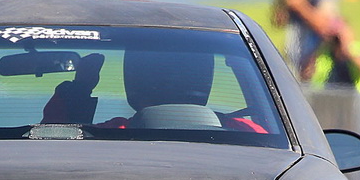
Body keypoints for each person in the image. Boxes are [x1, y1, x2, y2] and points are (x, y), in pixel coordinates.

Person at [42, 51, 267, 132]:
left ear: (134, 81)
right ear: (205, 79)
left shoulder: (112, 133)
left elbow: (53, 142)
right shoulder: (248, 132)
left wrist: (81, 87)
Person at [271, 0, 332, 79]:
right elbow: (277, 23)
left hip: (316, 61)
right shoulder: (292, 6)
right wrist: (283, 3)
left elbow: (324, 26)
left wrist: (300, 5)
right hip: (295, 58)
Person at [310, 18, 360, 95]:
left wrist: (347, 48)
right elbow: (307, 75)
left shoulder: (357, 49)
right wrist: (321, 42)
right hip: (327, 97)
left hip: (357, 98)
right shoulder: (324, 52)